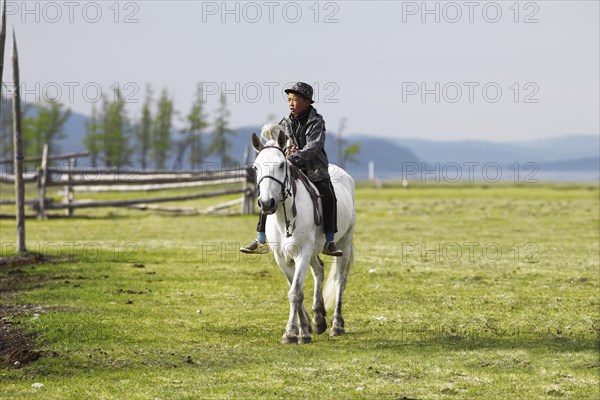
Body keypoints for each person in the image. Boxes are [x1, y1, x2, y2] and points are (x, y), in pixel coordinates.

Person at [240, 82, 343, 257]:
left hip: (315, 170)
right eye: (289, 100)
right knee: (268, 194)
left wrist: (291, 156)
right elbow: (278, 144)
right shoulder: (285, 122)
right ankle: (260, 238)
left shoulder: (316, 121)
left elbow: (313, 147)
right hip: (290, 169)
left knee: (329, 196)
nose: (290, 104)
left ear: (307, 102)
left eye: (295, 100)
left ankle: (330, 241)